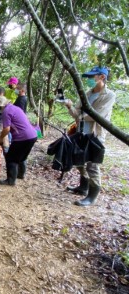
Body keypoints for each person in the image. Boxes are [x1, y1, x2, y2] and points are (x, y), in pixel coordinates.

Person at [64, 66, 116, 206]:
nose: (89, 80)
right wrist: (69, 106)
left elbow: (97, 115)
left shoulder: (109, 95)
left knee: (92, 165)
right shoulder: (87, 93)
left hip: (95, 134)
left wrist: (79, 114)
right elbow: (77, 114)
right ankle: (83, 187)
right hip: (81, 132)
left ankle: (91, 197)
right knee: (79, 160)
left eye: (92, 77)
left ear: (102, 77)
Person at [0, 96, 37, 186]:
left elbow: (6, 129)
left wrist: (0, 138)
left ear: (1, 106)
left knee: (11, 158)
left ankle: (10, 181)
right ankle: (20, 175)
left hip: (22, 138)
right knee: (22, 157)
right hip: (32, 135)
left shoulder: (6, 112)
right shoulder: (15, 108)